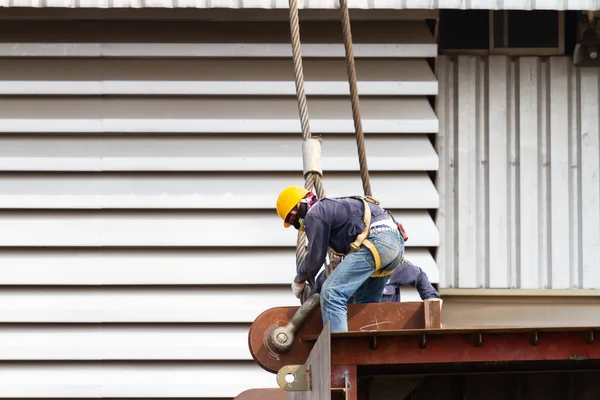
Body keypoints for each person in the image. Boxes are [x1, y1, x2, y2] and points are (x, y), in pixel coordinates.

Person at [275, 185, 405, 333]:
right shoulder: (333, 206)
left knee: (332, 293)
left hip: (376, 243)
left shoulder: (315, 213)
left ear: (299, 206)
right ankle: (365, 349)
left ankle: (339, 350)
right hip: (393, 247)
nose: (295, 223)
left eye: (292, 219)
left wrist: (300, 279)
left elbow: (316, 255)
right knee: (364, 307)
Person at [309, 257, 441, 303]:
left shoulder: (392, 266)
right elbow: (313, 298)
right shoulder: (333, 272)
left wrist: (430, 297)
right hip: (351, 335)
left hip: (387, 332)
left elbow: (419, 276)